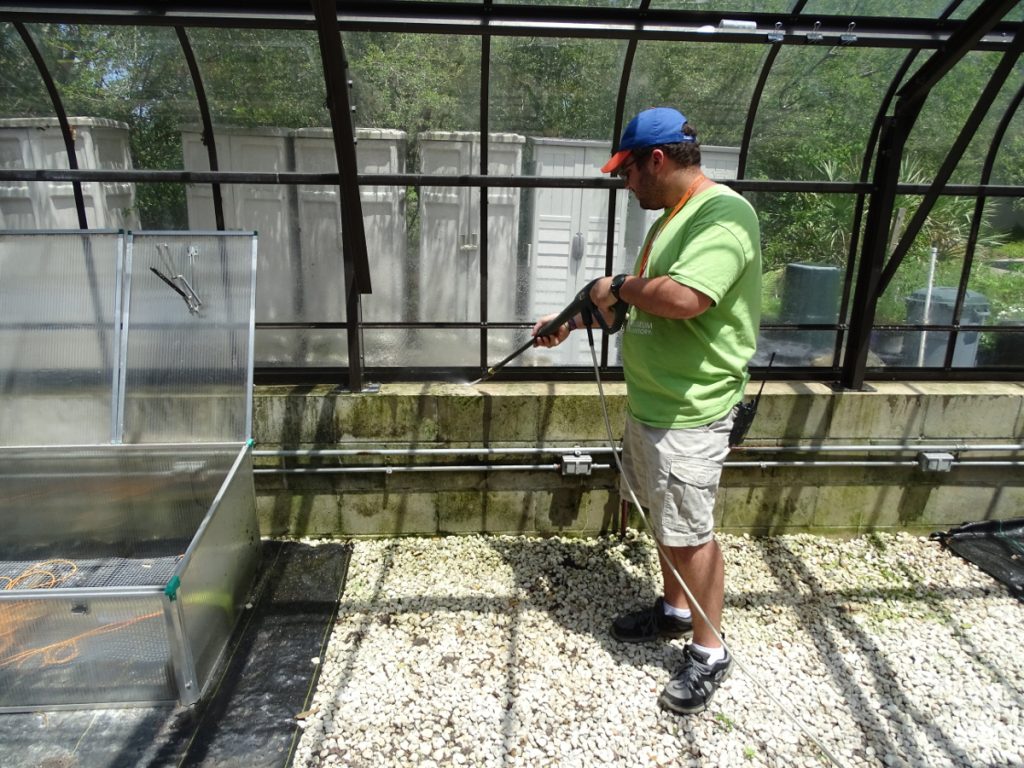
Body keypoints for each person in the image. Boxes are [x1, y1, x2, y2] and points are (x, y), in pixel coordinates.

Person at [532, 106, 761, 715]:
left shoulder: (724, 214)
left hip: (692, 409)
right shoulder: (672, 218)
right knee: (666, 520)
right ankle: (674, 610)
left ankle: (710, 652)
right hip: (654, 402)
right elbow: (637, 307)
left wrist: (616, 285)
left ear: (656, 159)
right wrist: (573, 321)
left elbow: (685, 298)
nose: (625, 183)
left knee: (692, 533)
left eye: (628, 171)